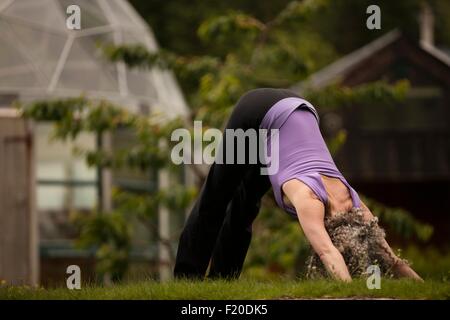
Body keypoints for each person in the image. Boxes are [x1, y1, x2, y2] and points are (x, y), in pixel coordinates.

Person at [174, 87, 422, 281]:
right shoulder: (310, 201)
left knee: (246, 204)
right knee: (217, 195)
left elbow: (391, 258)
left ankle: (222, 282)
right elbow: (327, 253)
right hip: (257, 110)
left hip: (299, 109)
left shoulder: (354, 203)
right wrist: (349, 293)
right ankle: (187, 279)